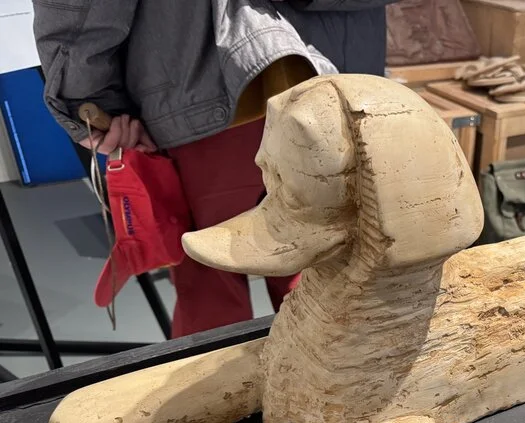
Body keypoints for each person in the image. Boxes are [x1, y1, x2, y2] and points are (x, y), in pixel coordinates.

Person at [33, 0, 392, 337]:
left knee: (211, 284)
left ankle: (228, 386)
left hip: (207, 83)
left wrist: (86, 97)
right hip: (336, 78)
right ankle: (342, 382)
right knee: (330, 277)